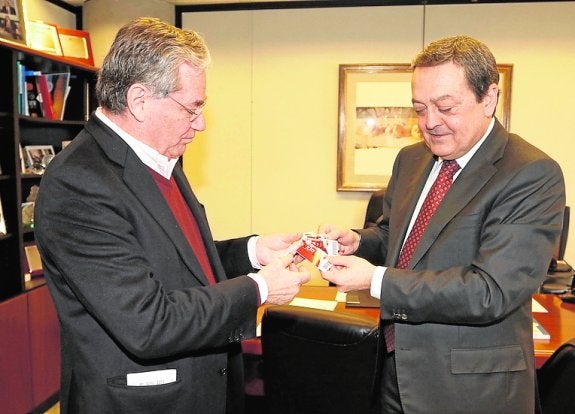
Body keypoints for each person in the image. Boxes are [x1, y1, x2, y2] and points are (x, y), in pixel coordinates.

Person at [34, 17, 310, 414]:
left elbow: (174, 261)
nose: (199, 124)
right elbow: (148, 324)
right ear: (140, 100)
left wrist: (252, 252)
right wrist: (260, 289)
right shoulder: (79, 183)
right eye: (191, 108)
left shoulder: (159, 156)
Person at [320, 35, 565, 413]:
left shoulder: (530, 173)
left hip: (471, 389)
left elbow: (489, 291)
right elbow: (399, 239)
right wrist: (359, 242)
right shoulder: (411, 158)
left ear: (489, 98)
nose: (429, 123)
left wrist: (374, 280)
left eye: (445, 107)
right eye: (419, 109)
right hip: (395, 371)